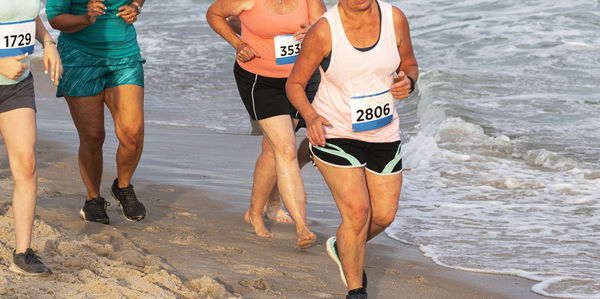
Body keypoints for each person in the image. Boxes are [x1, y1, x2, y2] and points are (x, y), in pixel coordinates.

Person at [286, 0, 418, 297]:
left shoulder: (394, 18)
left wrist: (407, 80)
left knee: (383, 216)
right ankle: (356, 290)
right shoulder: (324, 30)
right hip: (335, 130)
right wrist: (310, 116)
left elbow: (409, 63)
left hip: (383, 131)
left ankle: (342, 244)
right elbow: (295, 84)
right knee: (358, 214)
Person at [206, 0, 325, 248]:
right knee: (285, 148)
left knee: (274, 150)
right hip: (260, 81)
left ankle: (254, 210)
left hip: (298, 80)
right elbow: (214, 13)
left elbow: (324, 25)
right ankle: (301, 226)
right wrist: (238, 43)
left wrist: (312, 31)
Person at [46, 0, 147, 224]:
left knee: (133, 132)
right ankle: (93, 199)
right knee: (92, 136)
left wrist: (135, 6)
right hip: (78, 58)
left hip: (124, 54)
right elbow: (55, 19)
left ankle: (123, 187)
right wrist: (86, 18)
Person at [227, 15, 311, 224]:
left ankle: (281, 190)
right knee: (278, 146)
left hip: (304, 72)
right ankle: (269, 204)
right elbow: (230, 19)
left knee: (307, 141)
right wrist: (263, 35)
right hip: (266, 77)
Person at [1, 0, 62, 275]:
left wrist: (48, 42)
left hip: (17, 85)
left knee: (26, 165)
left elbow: (27, 16)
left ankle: (23, 253)